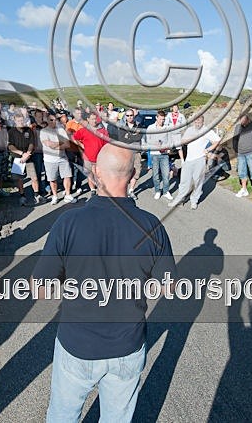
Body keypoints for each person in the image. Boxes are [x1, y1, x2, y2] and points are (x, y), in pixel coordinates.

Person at [32, 144, 176, 422]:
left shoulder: (68, 222)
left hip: (77, 344)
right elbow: (167, 286)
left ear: (95, 174)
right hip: (127, 345)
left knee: (63, 415)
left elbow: (41, 288)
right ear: (134, 176)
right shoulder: (153, 225)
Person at [169, 115, 221, 210]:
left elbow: (217, 140)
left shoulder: (207, 130)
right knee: (184, 181)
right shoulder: (190, 130)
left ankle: (194, 201)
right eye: (196, 122)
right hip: (189, 160)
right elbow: (183, 141)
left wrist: (208, 149)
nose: (197, 124)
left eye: (199, 122)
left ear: (203, 122)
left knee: (198, 182)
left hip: (200, 160)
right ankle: (179, 199)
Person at [40, 113, 76, 204]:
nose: (53, 122)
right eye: (51, 120)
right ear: (47, 121)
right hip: (50, 159)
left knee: (67, 176)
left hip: (62, 157)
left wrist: (56, 144)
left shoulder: (61, 130)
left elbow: (67, 144)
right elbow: (49, 144)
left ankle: (68, 195)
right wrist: (60, 142)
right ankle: (55, 196)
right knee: (52, 179)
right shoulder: (44, 131)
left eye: (55, 120)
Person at [72, 112, 109, 199]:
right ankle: (92, 190)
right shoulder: (84, 130)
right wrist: (81, 145)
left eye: (95, 119)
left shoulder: (103, 131)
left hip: (100, 159)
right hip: (88, 158)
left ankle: (101, 190)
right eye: (92, 119)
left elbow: (107, 144)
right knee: (90, 174)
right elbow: (74, 137)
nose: (94, 121)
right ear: (88, 119)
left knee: (99, 175)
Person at [7, 115, 41, 206]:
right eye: (18, 121)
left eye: (22, 120)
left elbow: (31, 143)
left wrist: (27, 154)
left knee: (34, 177)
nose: (20, 122)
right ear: (15, 121)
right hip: (18, 158)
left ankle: (37, 195)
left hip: (29, 157)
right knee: (19, 179)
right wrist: (22, 154)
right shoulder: (11, 132)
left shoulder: (28, 130)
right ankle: (22, 196)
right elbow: (10, 146)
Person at [143, 110, 174, 200]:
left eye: (163, 119)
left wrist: (168, 148)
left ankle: (166, 191)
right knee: (155, 175)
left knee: (166, 174)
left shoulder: (167, 128)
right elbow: (147, 141)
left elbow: (170, 142)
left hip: (164, 155)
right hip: (154, 154)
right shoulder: (150, 128)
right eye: (160, 119)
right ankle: (157, 191)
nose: (162, 121)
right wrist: (154, 145)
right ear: (156, 118)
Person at [113, 108, 143, 199]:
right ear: (125, 117)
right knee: (124, 172)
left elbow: (138, 138)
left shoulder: (139, 126)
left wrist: (129, 136)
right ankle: (122, 190)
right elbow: (121, 139)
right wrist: (132, 136)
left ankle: (131, 190)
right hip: (125, 153)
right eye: (128, 115)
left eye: (131, 115)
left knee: (136, 171)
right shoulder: (122, 127)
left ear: (134, 116)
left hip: (136, 152)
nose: (129, 117)